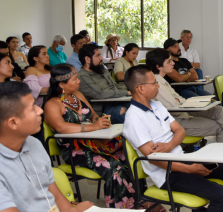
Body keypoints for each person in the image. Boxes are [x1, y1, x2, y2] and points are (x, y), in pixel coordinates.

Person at [123, 65, 223, 212]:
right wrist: (190, 169)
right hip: (167, 175)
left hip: (182, 159)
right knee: (221, 195)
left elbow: (180, 131)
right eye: (154, 83)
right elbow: (155, 159)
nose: (158, 86)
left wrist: (168, 146)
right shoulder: (134, 118)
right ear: (141, 88)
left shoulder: (157, 105)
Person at [146, 48, 223, 179]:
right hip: (176, 120)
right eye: (169, 61)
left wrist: (191, 102)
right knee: (220, 127)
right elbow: (174, 105)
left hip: (183, 111)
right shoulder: (155, 82)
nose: (173, 63)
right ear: (158, 65)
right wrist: (183, 102)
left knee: (218, 110)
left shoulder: (162, 80)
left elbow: (179, 100)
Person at [43, 64, 145, 209]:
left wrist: (100, 121)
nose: (79, 81)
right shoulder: (53, 104)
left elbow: (93, 116)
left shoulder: (78, 95)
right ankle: (123, 207)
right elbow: (61, 127)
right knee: (113, 165)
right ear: (61, 84)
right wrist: (91, 127)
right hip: (75, 150)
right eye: (74, 79)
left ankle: (140, 199)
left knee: (128, 156)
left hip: (95, 143)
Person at [0, 81, 95, 212]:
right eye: (33, 107)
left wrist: (72, 210)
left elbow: (54, 195)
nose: (40, 110)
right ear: (13, 122)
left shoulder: (34, 144)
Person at [77, 44, 130, 123]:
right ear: (87, 59)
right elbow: (100, 94)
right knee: (127, 115)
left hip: (119, 101)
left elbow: (115, 86)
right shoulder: (82, 77)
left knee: (142, 106)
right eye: (97, 55)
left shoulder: (102, 70)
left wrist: (129, 94)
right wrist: (126, 92)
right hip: (102, 109)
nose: (101, 58)